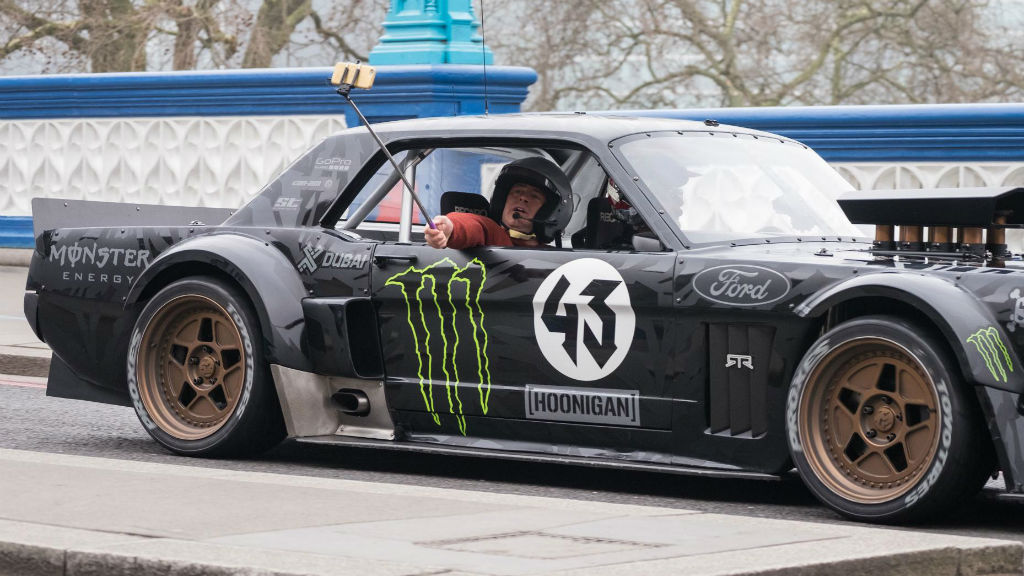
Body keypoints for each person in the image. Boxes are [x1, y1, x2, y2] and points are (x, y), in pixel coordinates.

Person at [425, 157, 571, 249]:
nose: (522, 198)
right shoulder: (495, 236)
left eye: (534, 196)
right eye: (517, 191)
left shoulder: (559, 262)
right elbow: (477, 226)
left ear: (551, 211)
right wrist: (449, 228)